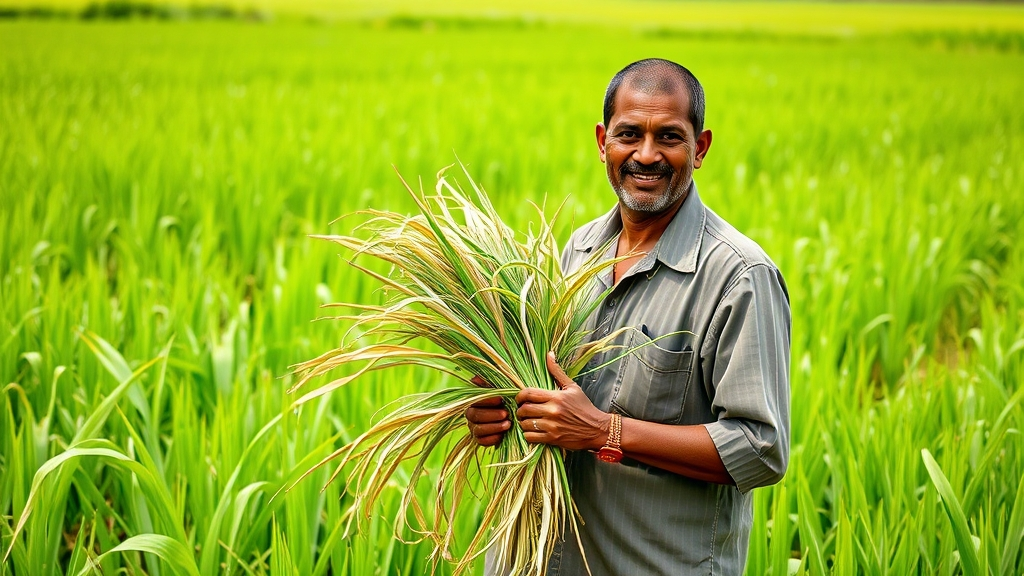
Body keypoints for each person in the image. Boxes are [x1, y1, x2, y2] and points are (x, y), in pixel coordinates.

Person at [466, 58, 791, 575]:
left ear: (700, 148)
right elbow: (549, 396)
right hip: (540, 559)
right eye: (628, 134)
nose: (646, 155)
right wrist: (499, 415)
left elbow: (760, 449)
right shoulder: (578, 251)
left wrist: (603, 432)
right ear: (602, 142)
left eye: (668, 137)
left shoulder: (739, 276)